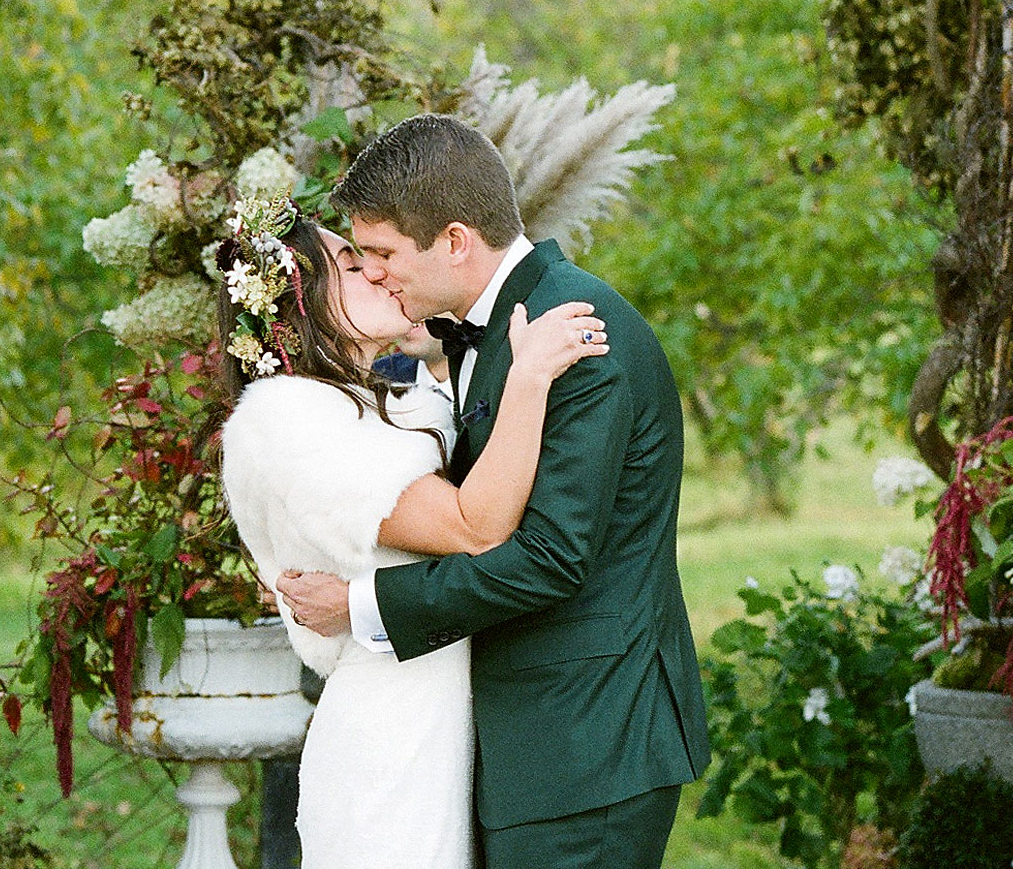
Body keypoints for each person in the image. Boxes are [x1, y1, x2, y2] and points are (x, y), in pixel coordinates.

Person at [275, 113, 708, 869]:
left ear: (453, 241)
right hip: (528, 741)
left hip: (586, 743)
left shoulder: (578, 335)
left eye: (381, 253)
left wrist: (359, 606)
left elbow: (550, 557)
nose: (372, 273)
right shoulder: (489, 334)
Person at [218, 194, 608, 869]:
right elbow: (475, 527)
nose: (375, 271)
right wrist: (530, 377)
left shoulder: (389, 397)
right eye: (350, 262)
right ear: (298, 303)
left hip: (445, 727)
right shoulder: (286, 419)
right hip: (386, 744)